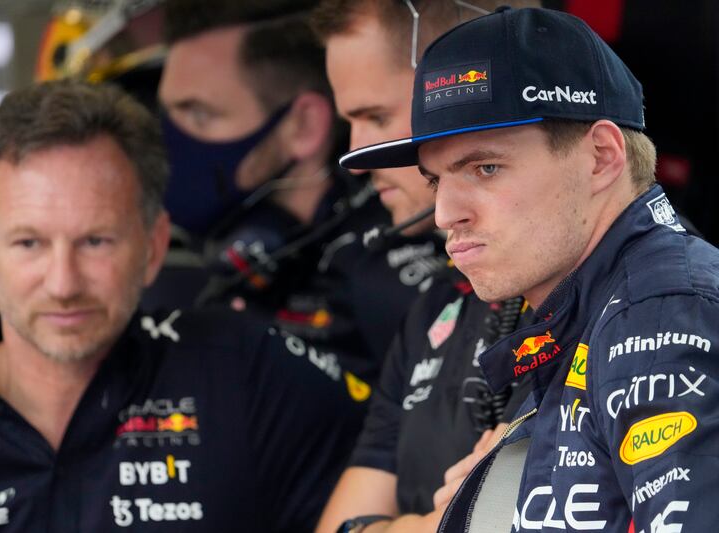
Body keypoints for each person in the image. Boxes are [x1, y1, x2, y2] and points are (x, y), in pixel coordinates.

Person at [0, 80, 367, 532]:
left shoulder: (244, 373)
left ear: (153, 246)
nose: (63, 283)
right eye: (29, 243)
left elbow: (400, 461)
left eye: (96, 241)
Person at [341, 6, 719, 532]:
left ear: (601, 158)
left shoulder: (658, 311)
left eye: (485, 167)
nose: (447, 212)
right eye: (435, 180)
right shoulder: (593, 312)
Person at [310, 2, 536, 532]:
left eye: (375, 117)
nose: (357, 156)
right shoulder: (437, 305)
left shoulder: (614, 290)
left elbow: (498, 517)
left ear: (467, 89)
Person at [157, 0, 447, 377]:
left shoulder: (386, 274)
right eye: (167, 117)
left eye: (200, 114)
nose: (168, 144)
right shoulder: (244, 269)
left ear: (304, 126)